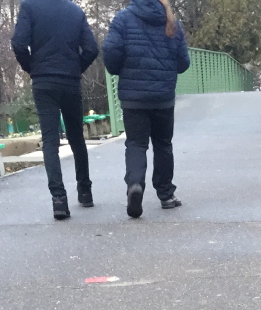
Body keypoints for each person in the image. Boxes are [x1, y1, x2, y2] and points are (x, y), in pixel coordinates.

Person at [11, 0, 98, 220]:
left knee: (50, 141)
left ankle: (59, 199)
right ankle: (85, 191)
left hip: (43, 81)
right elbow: (92, 49)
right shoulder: (75, 11)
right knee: (76, 138)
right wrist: (75, 68)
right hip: (70, 80)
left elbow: (19, 43)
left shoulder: (30, 7)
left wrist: (33, 68)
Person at [103, 0, 191, 218]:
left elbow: (111, 53)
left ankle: (135, 184)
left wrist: (120, 68)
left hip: (133, 97)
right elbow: (183, 63)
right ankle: (166, 194)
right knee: (163, 144)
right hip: (163, 96)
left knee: (136, 143)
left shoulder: (123, 19)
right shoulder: (171, 21)